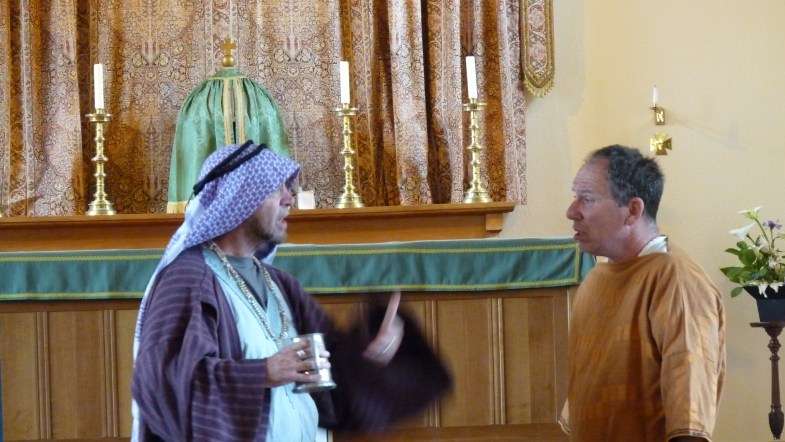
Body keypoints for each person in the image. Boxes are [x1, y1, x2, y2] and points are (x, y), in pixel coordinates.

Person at [131, 140, 451, 441]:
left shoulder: (280, 284)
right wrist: (262, 373)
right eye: (277, 188)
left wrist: (369, 354)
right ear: (240, 197)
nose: (289, 198)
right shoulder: (189, 279)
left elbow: (329, 378)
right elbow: (163, 386)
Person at [559, 145, 725, 441]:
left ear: (633, 210)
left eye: (587, 199)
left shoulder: (676, 279)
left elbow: (689, 409)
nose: (572, 212)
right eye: (575, 196)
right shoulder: (595, 279)